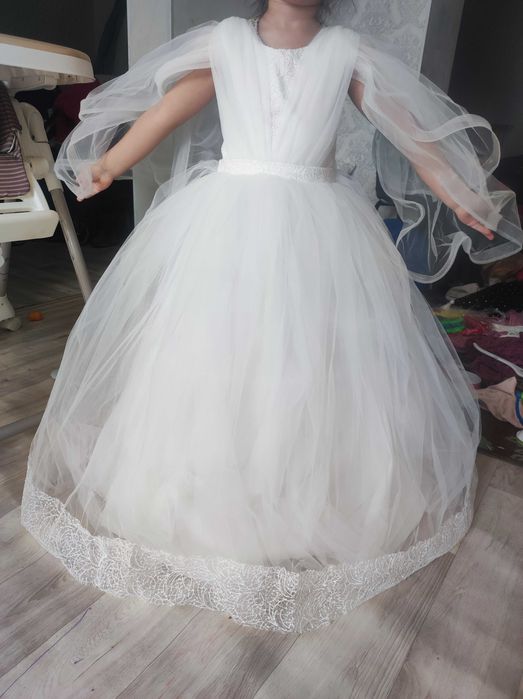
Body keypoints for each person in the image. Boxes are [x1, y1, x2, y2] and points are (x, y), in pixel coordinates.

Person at [21, 0, 523, 633]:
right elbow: (168, 108)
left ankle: (304, 487)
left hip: (320, 227)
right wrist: (109, 163)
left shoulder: (346, 52)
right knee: (215, 347)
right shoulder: (226, 41)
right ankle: (204, 481)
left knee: (310, 355)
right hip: (228, 222)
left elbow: (410, 133)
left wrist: (460, 191)